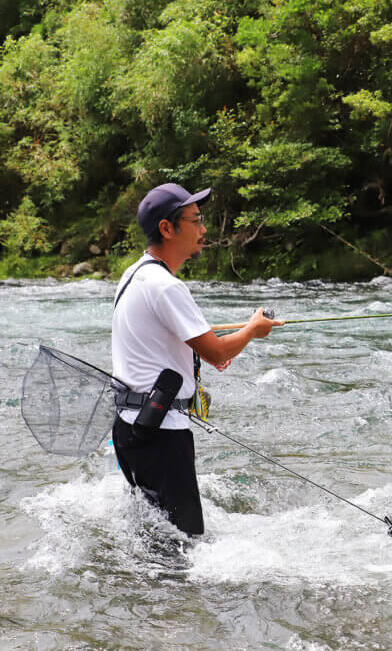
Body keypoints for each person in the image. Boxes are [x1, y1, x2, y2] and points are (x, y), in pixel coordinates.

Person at [111, 182, 281, 537]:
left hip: (131, 427)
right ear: (167, 228)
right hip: (161, 435)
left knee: (157, 538)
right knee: (184, 545)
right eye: (196, 220)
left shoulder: (135, 274)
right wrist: (252, 330)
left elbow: (162, 341)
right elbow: (216, 351)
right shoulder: (167, 287)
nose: (203, 230)